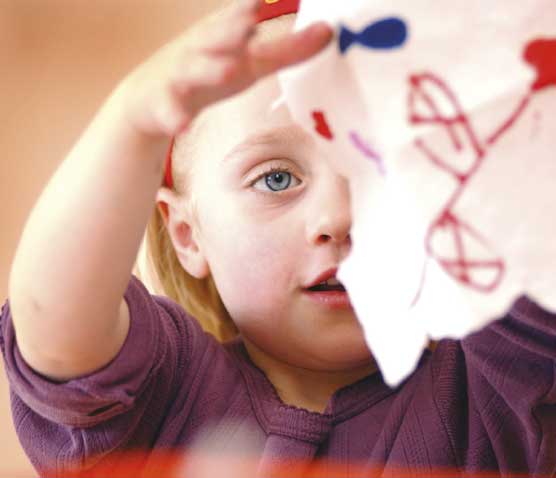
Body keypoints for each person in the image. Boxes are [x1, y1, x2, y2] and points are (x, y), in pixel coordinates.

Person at [1, 0, 555, 477]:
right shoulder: (164, 390)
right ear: (189, 236)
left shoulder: (492, 390)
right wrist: (128, 125)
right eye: (276, 179)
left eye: (381, 170)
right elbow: (55, 328)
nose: (338, 218)